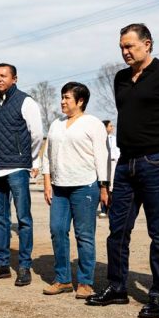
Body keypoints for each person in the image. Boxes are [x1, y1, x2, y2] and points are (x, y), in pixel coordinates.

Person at [86, 24, 159, 318]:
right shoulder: (121, 78)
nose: (125, 51)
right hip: (125, 164)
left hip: (157, 161)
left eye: (130, 46)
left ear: (147, 44)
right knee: (117, 229)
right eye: (122, 47)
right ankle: (117, 287)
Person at [41, 82, 109, 299]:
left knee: (84, 235)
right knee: (57, 230)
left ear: (80, 101)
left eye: (67, 98)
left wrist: (104, 186)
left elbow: (102, 155)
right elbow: (47, 155)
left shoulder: (93, 123)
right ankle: (62, 279)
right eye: (62, 97)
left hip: (85, 186)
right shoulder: (56, 125)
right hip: (59, 187)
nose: (62, 101)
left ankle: (85, 283)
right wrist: (47, 182)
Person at [0, 63, 43, 287]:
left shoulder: (26, 101)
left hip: (17, 168)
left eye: (3, 75)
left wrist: (29, 159)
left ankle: (24, 266)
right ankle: (2, 264)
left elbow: (37, 134)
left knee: (23, 219)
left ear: (14, 79)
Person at [101, 120, 119, 218]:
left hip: (114, 163)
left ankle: (111, 208)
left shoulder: (115, 139)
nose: (112, 128)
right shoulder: (100, 138)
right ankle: (104, 209)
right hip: (103, 163)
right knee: (104, 185)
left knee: (112, 186)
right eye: (110, 126)